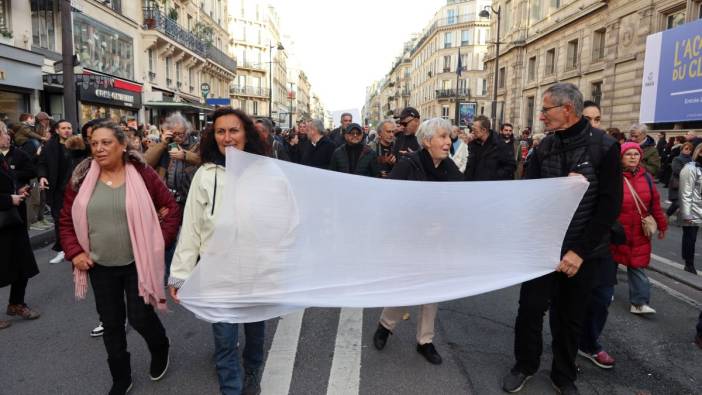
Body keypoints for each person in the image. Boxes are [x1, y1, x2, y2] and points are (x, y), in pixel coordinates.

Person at [502, 83, 622, 395]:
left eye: (545, 110)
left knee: (570, 318)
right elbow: (531, 196)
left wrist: (579, 252)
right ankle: (525, 365)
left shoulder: (606, 147)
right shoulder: (544, 147)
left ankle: (564, 376)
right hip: (544, 248)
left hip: (585, 254)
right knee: (529, 309)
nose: (541, 116)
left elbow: (609, 206)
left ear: (566, 109)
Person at [59, 120, 180, 395]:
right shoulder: (80, 178)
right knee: (112, 323)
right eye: (94, 144)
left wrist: (158, 241)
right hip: (99, 266)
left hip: (138, 262)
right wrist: (74, 252)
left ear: (122, 145)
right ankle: (120, 376)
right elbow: (65, 220)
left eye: (106, 143)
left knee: (139, 317)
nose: (99, 149)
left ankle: (160, 346)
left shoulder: (142, 173)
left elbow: (170, 209)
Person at [168, 107, 268, 395]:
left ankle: (252, 371)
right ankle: (231, 389)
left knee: (255, 330)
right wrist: (179, 274)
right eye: (221, 131)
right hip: (217, 273)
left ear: (246, 135)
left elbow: (285, 222)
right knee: (224, 338)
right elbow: (191, 229)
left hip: (255, 272)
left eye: (233, 130)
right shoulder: (204, 175)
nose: (227, 137)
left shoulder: (266, 173)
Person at [372, 117, 463, 365]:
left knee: (431, 290)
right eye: (442, 137)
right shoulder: (408, 166)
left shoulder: (449, 168)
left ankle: (425, 341)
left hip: (436, 242)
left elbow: (463, 199)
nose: (448, 142)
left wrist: (444, 224)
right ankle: (385, 325)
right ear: (427, 141)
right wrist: (419, 225)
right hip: (408, 240)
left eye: (449, 137)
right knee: (407, 286)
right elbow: (389, 202)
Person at [612, 142, 667, 314]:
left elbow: (655, 205)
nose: (633, 157)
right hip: (617, 230)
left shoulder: (647, 178)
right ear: (621, 157)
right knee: (610, 263)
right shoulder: (613, 177)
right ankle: (605, 292)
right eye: (629, 154)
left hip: (639, 231)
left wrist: (662, 225)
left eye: (636, 154)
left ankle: (639, 303)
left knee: (637, 265)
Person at [0, 121, 40, 330]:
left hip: (15, 220)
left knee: (22, 263)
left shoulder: (12, 155)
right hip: (3, 221)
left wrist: (19, 191)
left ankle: (16, 303)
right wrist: (8, 199)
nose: (7, 135)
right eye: (4, 132)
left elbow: (14, 179)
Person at [37, 120, 88, 264]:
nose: (67, 130)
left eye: (69, 127)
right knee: (60, 220)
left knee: (80, 218)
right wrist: (42, 177)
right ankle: (62, 249)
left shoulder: (79, 144)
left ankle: (82, 246)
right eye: (64, 128)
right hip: (57, 190)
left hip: (78, 188)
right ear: (57, 130)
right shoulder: (50, 146)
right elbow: (42, 164)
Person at [464, 115, 516, 181]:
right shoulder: (472, 144)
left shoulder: (500, 145)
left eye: (475, 130)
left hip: (492, 187)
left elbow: (511, 166)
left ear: (484, 130)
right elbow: (469, 167)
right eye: (472, 129)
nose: (472, 132)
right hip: (473, 186)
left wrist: (493, 177)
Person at [679, 144, 702, 275]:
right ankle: (689, 264)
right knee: (690, 237)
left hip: (700, 207)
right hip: (692, 209)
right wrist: (686, 214)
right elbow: (685, 192)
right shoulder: (690, 168)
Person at [667, 143, 694, 219]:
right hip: (678, 183)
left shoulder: (692, 160)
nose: (688, 151)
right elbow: (677, 170)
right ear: (682, 149)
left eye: (690, 149)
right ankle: (666, 215)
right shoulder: (677, 159)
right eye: (686, 149)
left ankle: (681, 218)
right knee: (677, 202)